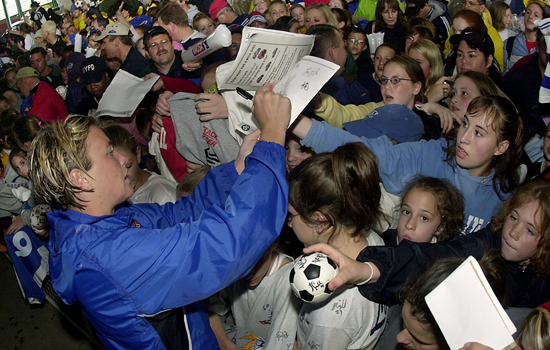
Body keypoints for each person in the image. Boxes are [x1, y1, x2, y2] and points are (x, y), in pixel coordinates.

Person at [27, 86, 291, 349]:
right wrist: (272, 139)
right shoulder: (109, 256)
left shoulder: (104, 223)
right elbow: (227, 245)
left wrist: (236, 170)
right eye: (109, 152)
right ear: (80, 179)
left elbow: (180, 215)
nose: (122, 158)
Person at [294, 94, 523, 234]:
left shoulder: (508, 196)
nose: (464, 137)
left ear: (501, 147)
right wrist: (293, 120)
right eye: (465, 124)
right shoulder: (433, 155)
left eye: (479, 133)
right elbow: (367, 152)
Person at [304, 179, 550, 309]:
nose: (514, 232)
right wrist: (369, 270)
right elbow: (430, 257)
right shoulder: (484, 245)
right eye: (513, 217)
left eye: (529, 230)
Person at [287, 142, 387, 350]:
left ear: (320, 221)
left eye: (291, 215)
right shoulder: (373, 241)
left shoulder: (327, 319)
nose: (288, 223)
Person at [101, 122, 177, 205]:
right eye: (113, 171)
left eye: (128, 166)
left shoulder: (163, 196)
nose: (123, 175)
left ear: (138, 154)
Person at [384, 176, 464, 245]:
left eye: (424, 218)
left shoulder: (441, 259)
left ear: (440, 227)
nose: (409, 225)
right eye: (407, 212)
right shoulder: (380, 245)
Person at [504, 0, 546, 72]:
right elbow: (503, 72)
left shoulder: (545, 46)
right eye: (528, 12)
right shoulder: (509, 43)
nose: (530, 16)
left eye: (536, 15)